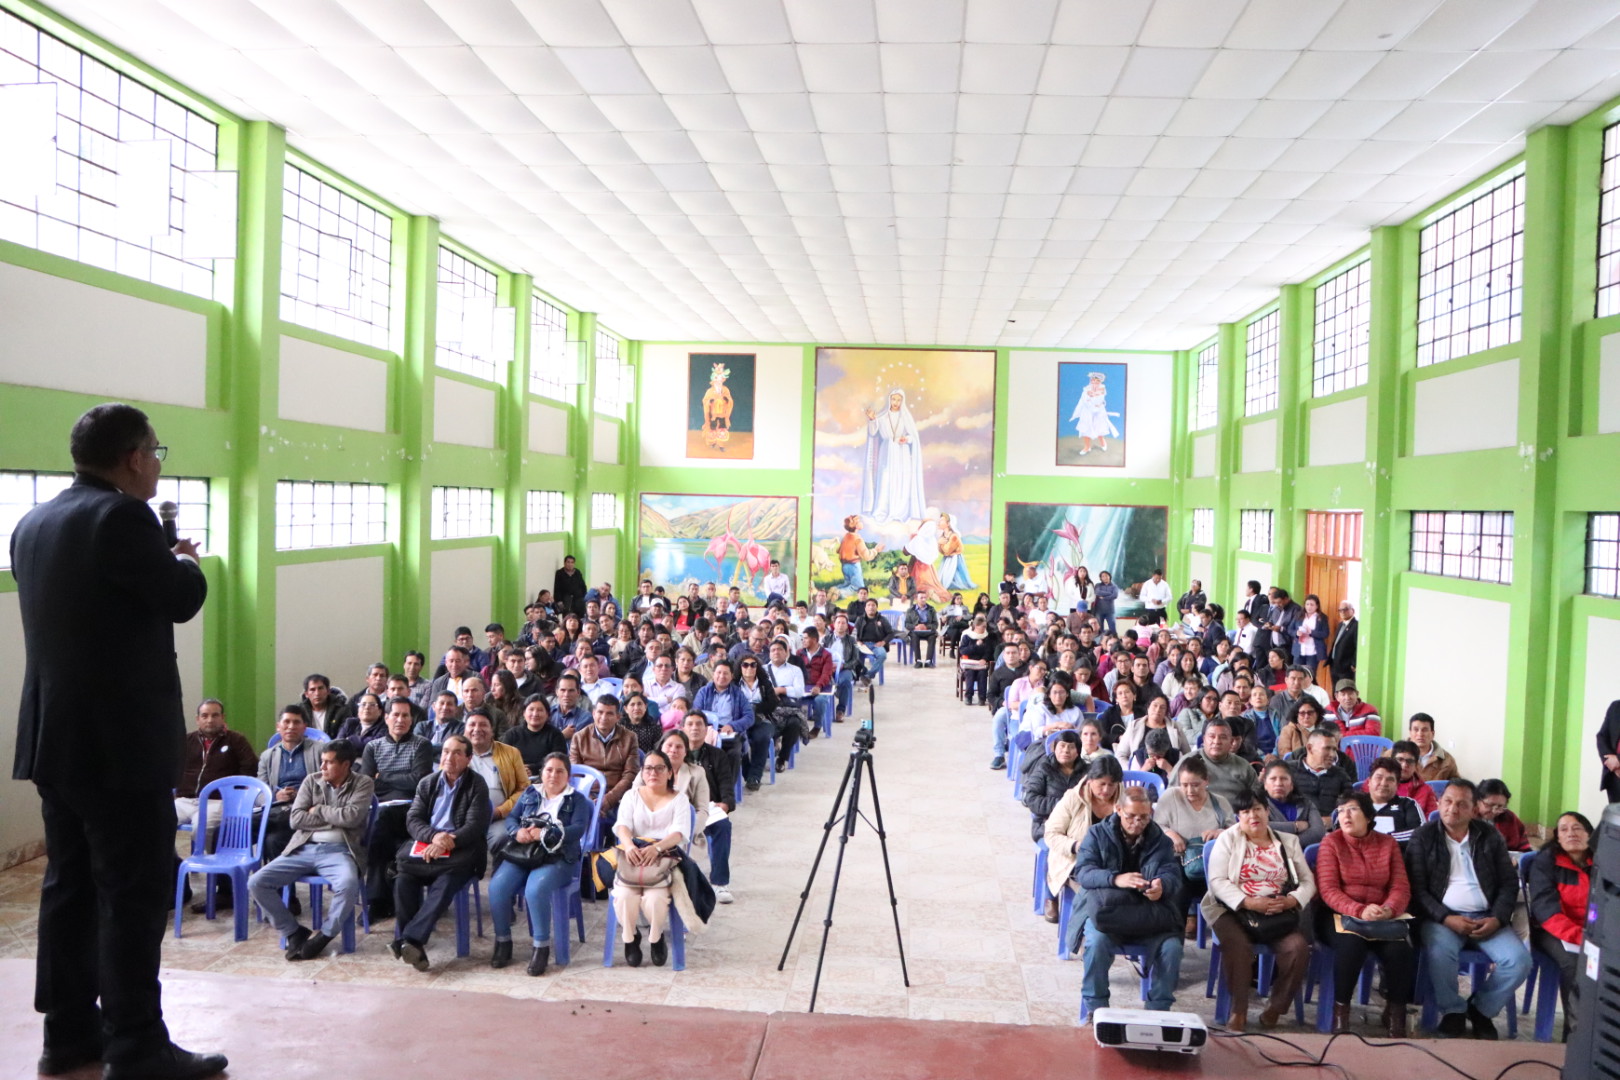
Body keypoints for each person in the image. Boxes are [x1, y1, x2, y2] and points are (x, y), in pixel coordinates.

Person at [8, 404, 224, 1080]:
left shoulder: (33, 522)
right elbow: (181, 598)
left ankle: (68, 1034)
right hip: (119, 748)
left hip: (55, 740)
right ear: (133, 457)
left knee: (69, 887)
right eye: (155, 451)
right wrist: (184, 563)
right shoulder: (123, 518)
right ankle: (136, 1045)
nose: (157, 463)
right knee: (133, 892)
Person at [1406, 779, 1531, 1039]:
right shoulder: (1423, 837)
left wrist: (1497, 918)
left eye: (1462, 804)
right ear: (1438, 803)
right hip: (1441, 919)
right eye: (1448, 801)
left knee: (1519, 961)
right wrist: (1446, 918)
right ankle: (1452, 1011)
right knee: (1440, 953)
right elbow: (1417, 891)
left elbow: (1508, 882)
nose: (1453, 809)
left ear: (1474, 810)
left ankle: (1480, 1010)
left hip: (1487, 918)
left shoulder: (1490, 836)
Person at [247, 739, 375, 963]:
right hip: (304, 847)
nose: (322, 767)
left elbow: (352, 817)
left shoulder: (363, 783)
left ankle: (324, 936)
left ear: (345, 765)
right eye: (322, 761)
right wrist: (334, 818)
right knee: (257, 882)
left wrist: (318, 810)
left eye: (329, 762)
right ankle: (292, 931)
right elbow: (296, 819)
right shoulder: (311, 780)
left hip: (341, 851)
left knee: (348, 885)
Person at [1202, 790, 1315, 1032]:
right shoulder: (1228, 839)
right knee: (1238, 946)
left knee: (1298, 948)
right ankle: (1238, 1010)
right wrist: (1248, 902)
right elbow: (1217, 881)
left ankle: (1276, 1008)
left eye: (1257, 809)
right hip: (1231, 909)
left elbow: (1308, 881)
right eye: (1245, 812)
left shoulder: (1288, 841)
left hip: (1276, 911)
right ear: (1238, 817)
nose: (1252, 816)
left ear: (1267, 811)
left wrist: (1291, 901)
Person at [1074, 787, 1186, 1015]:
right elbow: (1083, 873)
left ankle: (1158, 1010)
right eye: (1131, 816)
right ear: (1118, 810)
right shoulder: (1097, 834)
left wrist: (1161, 886)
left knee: (1172, 948)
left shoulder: (1160, 840)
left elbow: (1172, 874)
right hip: (1107, 913)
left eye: (1143, 817)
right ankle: (1096, 1009)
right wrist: (1115, 879)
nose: (1137, 822)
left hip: (1147, 913)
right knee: (1096, 944)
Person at [1314, 790, 1417, 1036]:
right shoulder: (1332, 842)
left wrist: (1389, 908)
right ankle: (1341, 1013)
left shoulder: (1388, 844)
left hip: (1381, 916)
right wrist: (1360, 910)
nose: (1345, 816)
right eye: (1341, 811)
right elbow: (1328, 890)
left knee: (1400, 950)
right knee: (1351, 945)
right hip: (1338, 914)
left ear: (1369, 816)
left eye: (1352, 809)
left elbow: (1400, 886)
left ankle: (1395, 1013)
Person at [487, 753, 593, 976]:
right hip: (524, 852)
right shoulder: (530, 793)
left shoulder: (577, 800)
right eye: (549, 770)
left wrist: (545, 833)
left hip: (558, 856)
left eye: (560, 771)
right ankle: (503, 941)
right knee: (497, 887)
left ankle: (541, 947)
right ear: (542, 773)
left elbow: (577, 830)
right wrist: (517, 832)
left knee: (535, 890)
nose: (553, 775)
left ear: (568, 776)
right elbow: (511, 818)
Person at [392, 735, 491, 972]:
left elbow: (474, 826)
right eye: (446, 751)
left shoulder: (477, 784)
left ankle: (408, 940)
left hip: (460, 852)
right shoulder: (428, 782)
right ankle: (413, 945)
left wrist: (446, 842)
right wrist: (434, 837)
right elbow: (413, 819)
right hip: (428, 846)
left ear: (468, 758)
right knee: (403, 880)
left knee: (445, 883)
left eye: (457, 753)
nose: (449, 757)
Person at [173, 698, 257, 911]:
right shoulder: (187, 741)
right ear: (197, 719)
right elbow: (172, 768)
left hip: (217, 801)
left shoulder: (236, 740)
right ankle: (174, 879)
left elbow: (250, 769)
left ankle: (224, 889)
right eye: (205, 715)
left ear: (223, 718)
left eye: (215, 715)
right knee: (157, 823)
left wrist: (235, 798)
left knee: (202, 828)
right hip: (185, 800)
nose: (210, 720)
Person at [611, 750, 693, 968]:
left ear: (669, 773)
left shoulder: (680, 799)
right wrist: (629, 846)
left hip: (663, 858)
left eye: (659, 768)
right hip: (633, 855)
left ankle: (656, 938)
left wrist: (656, 848)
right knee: (624, 896)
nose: (653, 773)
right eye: (648, 768)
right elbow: (622, 826)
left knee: (654, 899)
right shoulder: (631, 796)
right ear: (642, 772)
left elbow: (679, 833)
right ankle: (631, 938)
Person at [1526, 811, 1594, 1040]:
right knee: (1575, 963)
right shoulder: (1546, 862)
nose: (1571, 833)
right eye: (1564, 830)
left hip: (1592, 931)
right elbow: (1546, 911)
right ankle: (1575, 1036)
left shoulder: (1603, 862)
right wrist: (1580, 937)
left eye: (1577, 828)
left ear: (1590, 834)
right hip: (1552, 931)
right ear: (1557, 837)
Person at [1042, 756, 1123, 924]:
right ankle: (1083, 932)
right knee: (1097, 897)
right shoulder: (1073, 798)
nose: (1106, 790)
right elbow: (1051, 834)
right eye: (1101, 784)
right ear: (1090, 780)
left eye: (1111, 785)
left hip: (1112, 862)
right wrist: (1077, 846)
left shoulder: (1124, 800)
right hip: (1076, 861)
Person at [1153, 756, 1234, 907]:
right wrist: (1170, 834)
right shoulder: (1170, 797)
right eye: (1184, 785)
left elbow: (1235, 832)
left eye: (1195, 785)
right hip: (1179, 861)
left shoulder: (1220, 802)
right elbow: (1155, 826)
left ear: (1206, 781)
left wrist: (1220, 833)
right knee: (1176, 887)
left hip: (1212, 863)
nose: (1190, 791)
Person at [257, 708, 326, 874]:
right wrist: (275, 796)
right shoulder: (267, 756)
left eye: (296, 722)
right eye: (286, 722)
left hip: (305, 810)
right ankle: (226, 889)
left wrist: (301, 795)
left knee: (268, 836)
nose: (291, 726)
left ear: (304, 727)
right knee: (226, 830)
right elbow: (260, 792)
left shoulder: (320, 750)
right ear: (278, 726)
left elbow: (329, 785)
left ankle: (254, 822)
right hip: (277, 808)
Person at [681, 713, 736, 904]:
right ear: (682, 729)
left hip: (708, 809)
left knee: (723, 826)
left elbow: (727, 786)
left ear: (707, 730)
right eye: (690, 724)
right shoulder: (674, 753)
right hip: (679, 810)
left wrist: (725, 804)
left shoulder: (717, 755)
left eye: (699, 724)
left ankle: (720, 883)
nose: (694, 728)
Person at [567, 696, 640, 825]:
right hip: (587, 794)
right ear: (593, 713)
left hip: (618, 796)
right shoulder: (579, 738)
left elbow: (630, 774)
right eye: (600, 712)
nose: (604, 717)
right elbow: (576, 774)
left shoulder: (630, 738)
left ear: (618, 717)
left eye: (609, 713)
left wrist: (608, 799)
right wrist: (590, 801)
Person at [461, 712, 527, 851]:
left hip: (500, 817)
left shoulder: (511, 753)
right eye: (472, 724)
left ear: (492, 731)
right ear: (464, 730)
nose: (477, 729)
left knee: (501, 837)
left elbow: (524, 789)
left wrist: (499, 811)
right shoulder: (455, 752)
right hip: (463, 817)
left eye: (483, 725)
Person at [861, 389, 926, 523]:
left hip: (902, 454)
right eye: (893, 399)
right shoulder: (883, 417)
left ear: (902, 401)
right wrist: (872, 419)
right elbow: (873, 432)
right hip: (887, 453)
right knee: (885, 480)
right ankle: (882, 511)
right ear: (889, 400)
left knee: (902, 481)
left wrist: (906, 439)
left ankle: (899, 512)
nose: (896, 402)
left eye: (899, 400)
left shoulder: (905, 418)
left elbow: (913, 437)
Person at [1170, 718, 1257, 805]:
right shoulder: (1187, 762)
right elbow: (1171, 798)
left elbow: (1257, 798)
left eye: (1223, 737)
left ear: (1231, 742)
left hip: (1234, 812)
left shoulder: (1243, 766)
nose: (1217, 742)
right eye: (1212, 737)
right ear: (1204, 739)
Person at [1260, 761, 1326, 849]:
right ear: (1265, 784)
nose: (1278, 783)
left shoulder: (1306, 804)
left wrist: (1291, 844)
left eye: (1284, 779)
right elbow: (1260, 827)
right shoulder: (1258, 805)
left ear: (1291, 785)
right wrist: (1295, 826)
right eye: (1273, 779)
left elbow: (1318, 832)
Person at [1364, 757, 1424, 846]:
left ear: (1397, 785)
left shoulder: (1408, 804)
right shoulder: (1357, 804)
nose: (1383, 783)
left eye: (1390, 779)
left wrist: (1382, 839)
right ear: (1369, 781)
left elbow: (1420, 833)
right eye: (1379, 778)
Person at [500, 694, 569, 770]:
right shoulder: (512, 734)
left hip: (544, 774)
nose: (535, 714)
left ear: (547, 714)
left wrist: (532, 769)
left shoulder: (555, 735)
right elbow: (502, 759)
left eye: (540, 710)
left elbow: (559, 761)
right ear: (524, 713)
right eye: (531, 709)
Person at [1474, 779, 1531, 852]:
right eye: (1490, 805)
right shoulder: (1467, 819)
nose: (1494, 811)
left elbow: (1523, 848)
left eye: (1500, 806)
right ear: (1478, 800)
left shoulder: (1509, 818)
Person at [1407, 712, 1458, 781]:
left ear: (1432, 734)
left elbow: (1456, 784)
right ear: (1410, 732)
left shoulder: (1447, 759)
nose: (1420, 734)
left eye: (1425, 730)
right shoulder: (1395, 755)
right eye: (1416, 730)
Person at [1329, 603, 1358, 687]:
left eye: (1345, 609)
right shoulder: (1340, 625)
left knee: (1344, 688)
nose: (1342, 612)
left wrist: (1354, 663)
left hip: (1346, 666)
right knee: (1335, 689)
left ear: (1353, 610)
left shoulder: (1356, 625)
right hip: (1335, 664)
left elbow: (1357, 646)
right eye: (1340, 610)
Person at [904, 595, 939, 667]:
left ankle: (928, 661)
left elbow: (935, 624)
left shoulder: (931, 609)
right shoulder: (910, 610)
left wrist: (926, 627)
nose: (923, 599)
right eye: (921, 598)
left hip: (928, 631)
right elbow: (907, 624)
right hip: (915, 631)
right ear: (916, 599)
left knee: (933, 636)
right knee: (914, 636)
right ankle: (918, 661)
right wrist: (915, 627)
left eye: (925, 598)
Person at [1092, 570, 1119, 636]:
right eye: (1103, 576)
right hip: (1099, 611)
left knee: (1112, 628)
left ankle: (1114, 640)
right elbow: (1097, 592)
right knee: (1100, 629)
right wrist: (1110, 593)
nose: (1105, 577)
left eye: (1106, 576)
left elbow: (1115, 595)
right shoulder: (1098, 585)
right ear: (1101, 578)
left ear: (1109, 576)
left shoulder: (1114, 586)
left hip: (1110, 611)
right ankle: (1100, 641)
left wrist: (1104, 598)